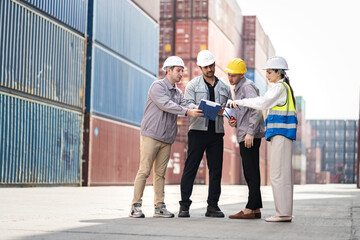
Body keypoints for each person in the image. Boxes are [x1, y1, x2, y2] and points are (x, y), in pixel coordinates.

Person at [130, 56, 203, 218]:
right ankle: (135, 205)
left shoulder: (177, 92)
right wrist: (187, 111)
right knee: (144, 171)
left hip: (166, 138)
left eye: (182, 70)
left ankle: (159, 207)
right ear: (168, 70)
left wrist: (198, 107)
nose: (181, 74)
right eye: (178, 70)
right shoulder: (157, 86)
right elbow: (166, 104)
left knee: (160, 174)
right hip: (151, 135)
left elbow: (185, 104)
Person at [229, 56, 297, 222]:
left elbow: (262, 103)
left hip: (281, 135)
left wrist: (239, 102)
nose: (267, 75)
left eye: (269, 72)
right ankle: (284, 212)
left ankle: (282, 213)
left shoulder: (279, 88)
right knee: (283, 174)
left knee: (277, 174)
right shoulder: (285, 88)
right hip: (283, 135)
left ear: (278, 73)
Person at [178, 50, 232, 218]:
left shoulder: (224, 87)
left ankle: (213, 206)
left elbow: (229, 108)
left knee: (216, 170)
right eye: (206, 67)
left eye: (212, 65)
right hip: (197, 131)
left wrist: (226, 112)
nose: (210, 69)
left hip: (216, 133)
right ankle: (184, 206)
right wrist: (200, 108)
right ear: (200, 67)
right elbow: (187, 104)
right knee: (191, 168)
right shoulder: (193, 85)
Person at [224, 58, 265, 219]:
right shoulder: (239, 87)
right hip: (245, 133)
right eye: (229, 74)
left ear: (241, 74)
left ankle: (249, 209)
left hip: (249, 136)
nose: (230, 78)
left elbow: (257, 109)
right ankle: (255, 209)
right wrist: (235, 120)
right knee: (251, 170)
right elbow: (246, 111)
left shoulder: (247, 87)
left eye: (233, 75)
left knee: (250, 171)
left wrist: (250, 132)